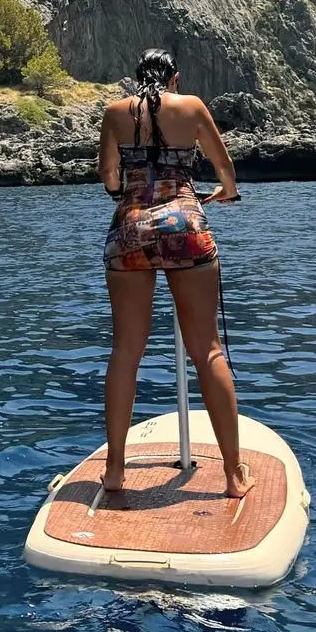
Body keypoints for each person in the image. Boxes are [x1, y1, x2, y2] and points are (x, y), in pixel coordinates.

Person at [98, 48, 254, 499]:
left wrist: (128, 186)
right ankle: (232, 476)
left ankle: (114, 471)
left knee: (126, 350)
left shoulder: (114, 112)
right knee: (207, 350)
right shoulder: (192, 107)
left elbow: (109, 178)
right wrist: (223, 193)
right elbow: (226, 173)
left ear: (136, 76)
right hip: (186, 225)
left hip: (129, 229)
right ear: (175, 79)